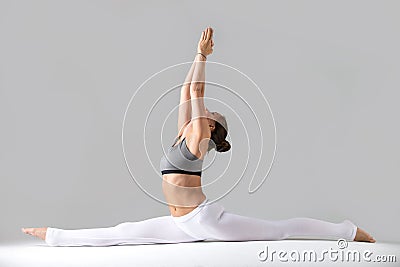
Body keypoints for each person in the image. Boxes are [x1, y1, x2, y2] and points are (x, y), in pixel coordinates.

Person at [22, 27, 376, 246]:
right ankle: (53, 235)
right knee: (122, 232)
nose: (205, 112)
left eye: (210, 115)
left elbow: (196, 89)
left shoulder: (196, 136)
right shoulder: (185, 135)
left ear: (211, 128)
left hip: (205, 220)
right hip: (182, 222)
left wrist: (200, 55)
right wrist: (195, 58)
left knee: (279, 231)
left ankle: (348, 231)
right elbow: (185, 93)